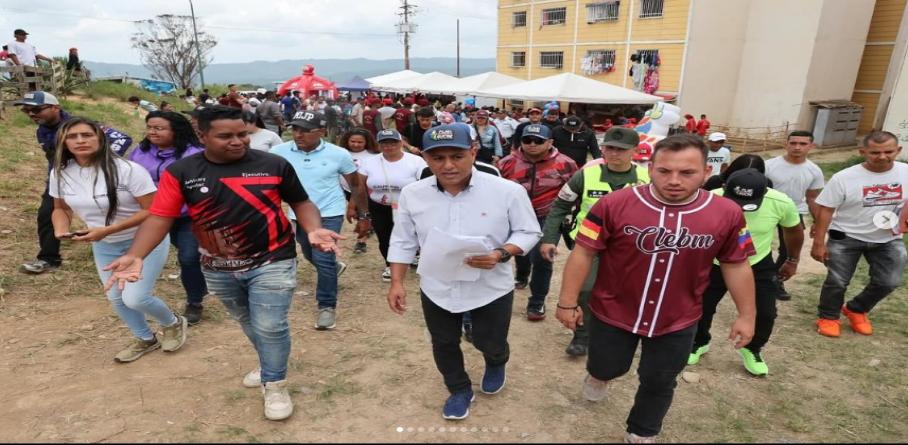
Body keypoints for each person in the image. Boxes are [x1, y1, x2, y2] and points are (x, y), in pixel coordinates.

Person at [104, 105, 342, 421]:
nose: (238, 141)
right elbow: (161, 216)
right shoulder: (182, 172)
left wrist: (313, 228)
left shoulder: (273, 164)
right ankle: (270, 363)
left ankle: (274, 382)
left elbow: (301, 202)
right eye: (226, 136)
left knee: (271, 325)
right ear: (202, 136)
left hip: (273, 259)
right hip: (218, 267)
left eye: (243, 134)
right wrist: (136, 255)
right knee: (247, 321)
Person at [556, 134, 756, 444]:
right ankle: (599, 374)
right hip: (614, 310)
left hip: (679, 316)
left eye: (687, 172)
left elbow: (736, 263)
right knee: (608, 365)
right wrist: (567, 302)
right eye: (664, 171)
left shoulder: (728, 213)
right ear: (650, 168)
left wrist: (747, 314)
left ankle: (642, 430)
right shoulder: (614, 203)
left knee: (660, 379)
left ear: (707, 172)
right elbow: (583, 251)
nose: (674, 180)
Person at [386, 124, 542, 420]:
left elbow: (528, 230)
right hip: (437, 286)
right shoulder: (413, 194)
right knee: (443, 341)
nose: (447, 165)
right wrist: (397, 282)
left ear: (473, 152)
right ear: (426, 159)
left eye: (456, 156)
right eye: (437, 157)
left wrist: (501, 253)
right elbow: (403, 239)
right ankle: (459, 389)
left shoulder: (507, 191)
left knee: (489, 341)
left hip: (490, 286)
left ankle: (497, 361)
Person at [49, 117, 188, 362]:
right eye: (72, 136)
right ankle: (145, 338)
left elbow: (154, 210)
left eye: (86, 135)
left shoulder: (128, 170)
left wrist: (108, 230)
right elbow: (61, 208)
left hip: (144, 240)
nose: (80, 141)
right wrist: (61, 230)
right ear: (63, 142)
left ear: (100, 138)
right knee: (116, 297)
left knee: (135, 297)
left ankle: (173, 322)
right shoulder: (61, 174)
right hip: (103, 244)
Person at [539, 127, 647, 356]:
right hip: (590, 245)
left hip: (630, 248)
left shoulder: (647, 179)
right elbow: (560, 206)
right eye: (609, 148)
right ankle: (582, 336)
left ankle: (619, 333)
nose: (614, 154)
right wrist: (549, 239)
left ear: (634, 152)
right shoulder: (585, 175)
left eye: (621, 150)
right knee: (585, 289)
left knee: (626, 292)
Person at [690, 168, 803, 376]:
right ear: (725, 188)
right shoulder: (707, 199)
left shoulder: (781, 202)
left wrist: (792, 260)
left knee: (766, 312)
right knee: (700, 307)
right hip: (715, 262)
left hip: (757, 262)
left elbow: (794, 231)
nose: (741, 210)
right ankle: (698, 342)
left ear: (765, 193)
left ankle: (752, 348)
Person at [270, 111, 371, 330]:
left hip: (329, 212)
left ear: (322, 132)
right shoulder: (278, 152)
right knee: (308, 251)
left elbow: (355, 185)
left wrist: (364, 215)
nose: (298, 134)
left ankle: (326, 306)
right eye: (295, 129)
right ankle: (334, 268)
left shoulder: (338, 154)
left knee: (323, 258)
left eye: (305, 130)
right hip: (299, 214)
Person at [15, 91, 133, 274]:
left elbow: (122, 138)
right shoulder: (42, 130)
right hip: (61, 180)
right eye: (26, 110)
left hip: (96, 178)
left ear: (56, 107)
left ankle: (130, 251)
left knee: (112, 212)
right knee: (47, 214)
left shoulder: (80, 125)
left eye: (36, 109)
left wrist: (102, 159)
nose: (31, 114)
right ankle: (48, 258)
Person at [811, 131, 908, 338]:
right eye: (875, 152)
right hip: (845, 236)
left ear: (898, 150)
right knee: (837, 281)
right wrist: (819, 243)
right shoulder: (844, 177)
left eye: (888, 151)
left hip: (888, 238)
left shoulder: (906, 172)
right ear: (863, 151)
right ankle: (828, 317)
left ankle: (856, 309)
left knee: (889, 281)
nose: (882, 157)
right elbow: (825, 209)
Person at [129, 111, 208, 324]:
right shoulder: (140, 151)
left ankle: (195, 301)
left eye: (159, 128)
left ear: (176, 130)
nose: (152, 132)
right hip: (152, 215)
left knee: (188, 257)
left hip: (187, 216)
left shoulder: (195, 154)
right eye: (150, 127)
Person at [498, 124, 578, 321]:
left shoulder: (565, 164)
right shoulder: (507, 163)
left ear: (550, 142)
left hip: (547, 217)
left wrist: (569, 216)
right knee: (519, 252)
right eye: (527, 140)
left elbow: (575, 191)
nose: (532, 144)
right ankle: (522, 275)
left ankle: (537, 302)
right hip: (515, 217)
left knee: (542, 259)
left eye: (539, 141)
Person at [357, 129, 427, 281]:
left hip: (408, 206)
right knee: (384, 235)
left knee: (412, 233)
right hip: (379, 205)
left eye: (393, 142)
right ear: (379, 144)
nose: (389, 146)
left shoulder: (416, 161)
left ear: (401, 142)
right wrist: (356, 208)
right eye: (384, 143)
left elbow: (425, 183)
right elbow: (360, 186)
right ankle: (390, 265)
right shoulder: (369, 162)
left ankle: (414, 254)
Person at [765, 130, 825, 301]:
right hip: (767, 210)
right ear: (786, 144)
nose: (797, 147)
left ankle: (776, 281)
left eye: (803, 144)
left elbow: (812, 198)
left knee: (788, 249)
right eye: (793, 143)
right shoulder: (769, 165)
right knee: (758, 246)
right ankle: (759, 277)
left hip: (794, 211)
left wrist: (817, 222)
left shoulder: (814, 171)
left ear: (811, 146)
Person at [339, 129, 380, 254]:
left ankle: (361, 241)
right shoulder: (340, 153)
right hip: (346, 189)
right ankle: (367, 228)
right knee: (358, 214)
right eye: (353, 141)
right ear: (347, 140)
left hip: (366, 190)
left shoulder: (373, 155)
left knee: (363, 213)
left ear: (366, 142)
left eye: (360, 142)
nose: (356, 144)